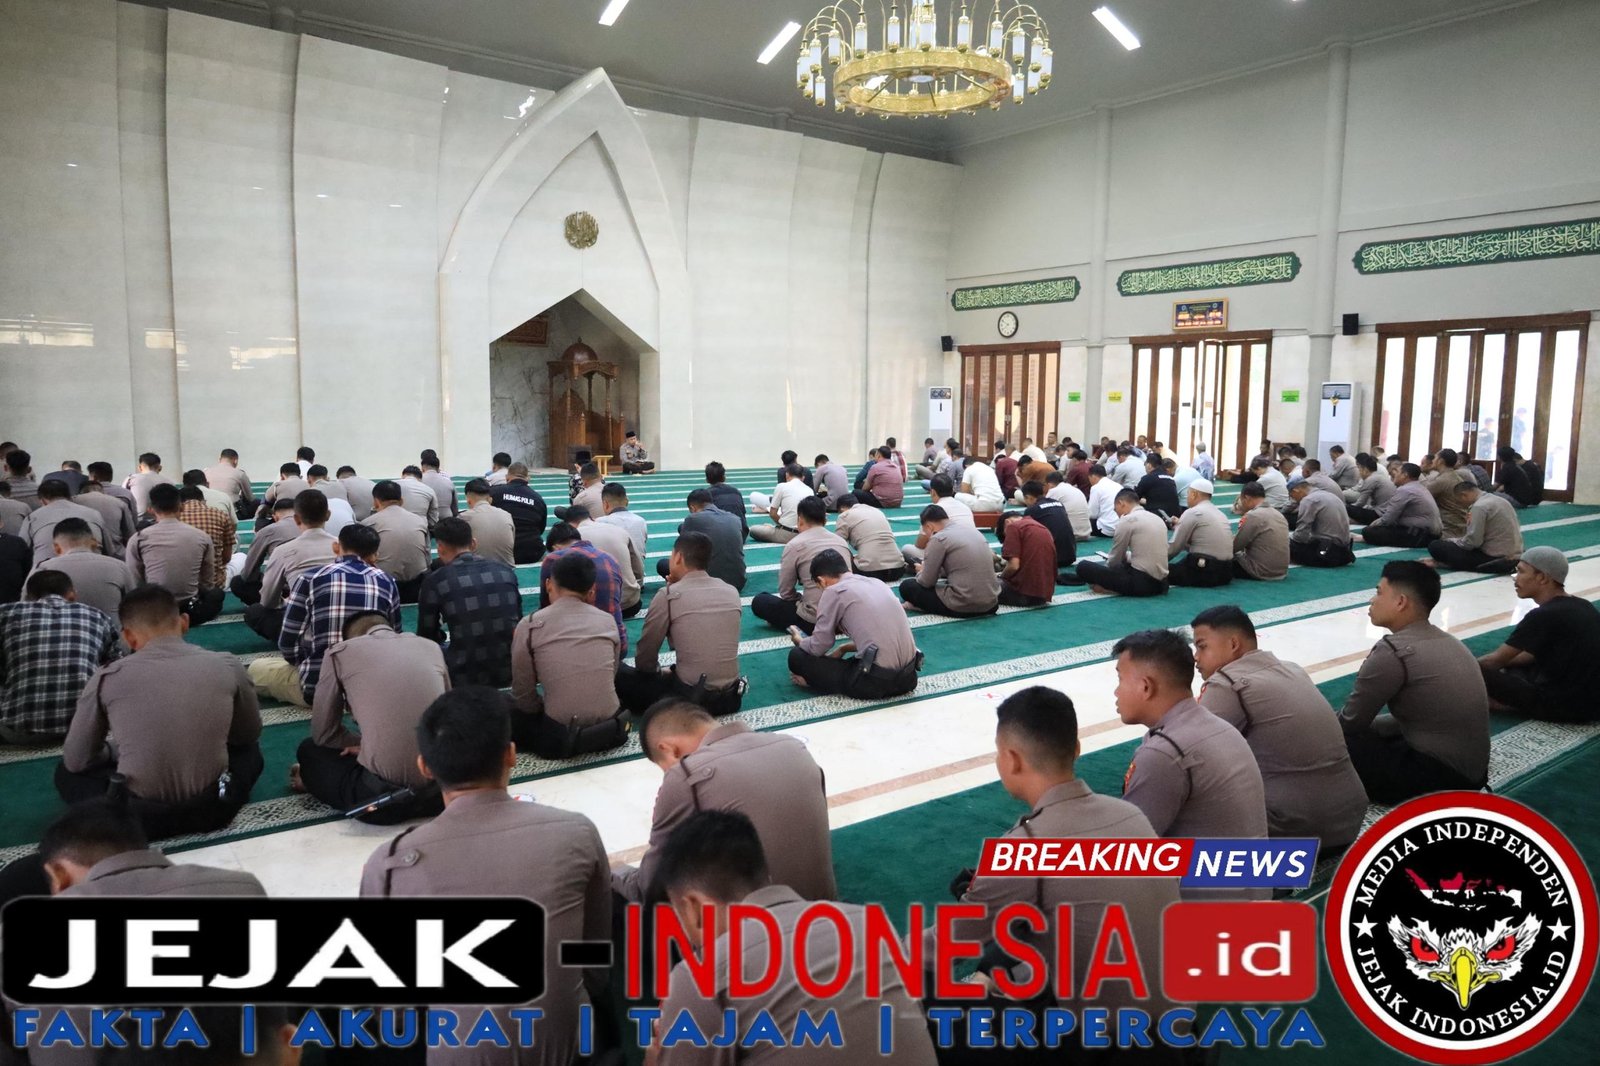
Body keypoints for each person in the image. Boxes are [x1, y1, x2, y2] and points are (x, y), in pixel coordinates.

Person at [360, 687, 611, 1066]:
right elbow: (595, 960)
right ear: (511, 755)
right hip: (573, 1048)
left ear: (425, 767)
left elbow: (391, 1013)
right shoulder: (576, 832)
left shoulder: (389, 863)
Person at [933, 687, 1179, 1036]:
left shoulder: (1027, 845)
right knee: (1013, 943)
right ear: (1076, 749)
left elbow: (944, 945)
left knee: (933, 1016)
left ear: (1012, 760)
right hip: (1177, 1027)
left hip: (1103, 1043)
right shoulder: (1131, 815)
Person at [648, 810, 933, 1066]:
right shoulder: (870, 923)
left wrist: (655, 1052)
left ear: (694, 907)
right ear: (765, 875)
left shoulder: (700, 975)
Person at [58, 585, 263, 837]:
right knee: (250, 751)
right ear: (184, 622)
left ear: (128, 637)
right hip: (214, 808)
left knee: (66, 772)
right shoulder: (227, 664)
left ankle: (128, 814)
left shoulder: (107, 677)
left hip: (138, 816)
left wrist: (113, 751)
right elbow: (247, 735)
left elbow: (77, 759)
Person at [616, 700, 835, 904]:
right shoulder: (794, 747)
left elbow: (649, 886)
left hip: (755, 926)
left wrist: (616, 871)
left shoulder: (687, 775)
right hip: (824, 911)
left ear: (670, 750)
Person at [1191, 606, 1367, 849]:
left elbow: (1190, 754)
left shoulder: (1228, 684)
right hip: (1349, 821)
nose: (1196, 657)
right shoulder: (1292, 669)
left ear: (1233, 644)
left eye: (1202, 646)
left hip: (1292, 828)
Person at [1112, 629, 1268, 898]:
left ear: (1146, 687)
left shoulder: (1165, 752)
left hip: (1208, 912)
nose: (1116, 691)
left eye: (1120, 679)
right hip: (1253, 893)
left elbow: (1126, 853)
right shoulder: (1217, 725)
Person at [1339, 561, 1490, 802]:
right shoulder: (1449, 641)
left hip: (1437, 778)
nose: (1372, 600)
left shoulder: (1393, 650)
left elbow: (1351, 723)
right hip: (1472, 775)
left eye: (1379, 592)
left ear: (1400, 602)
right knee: (1374, 732)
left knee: (1330, 740)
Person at [294, 611, 449, 822]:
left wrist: (364, 744)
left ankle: (310, 779)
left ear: (351, 638)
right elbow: (449, 718)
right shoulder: (431, 647)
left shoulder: (340, 653)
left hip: (380, 806)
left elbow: (324, 734)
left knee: (310, 750)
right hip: (443, 795)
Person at [249, 523, 400, 708]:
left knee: (257, 669)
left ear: (336, 547)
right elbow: (393, 636)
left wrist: (306, 664)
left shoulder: (310, 578)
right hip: (370, 688)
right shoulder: (387, 581)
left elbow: (288, 640)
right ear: (375, 555)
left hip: (320, 688)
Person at [510, 550, 626, 759]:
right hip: (611, 728)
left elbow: (523, 693)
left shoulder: (530, 625)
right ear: (592, 592)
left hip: (559, 738)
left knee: (503, 705)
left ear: (548, 585)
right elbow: (612, 672)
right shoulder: (607, 621)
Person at [618, 532, 744, 716]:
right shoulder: (731, 591)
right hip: (731, 698)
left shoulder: (668, 595)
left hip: (692, 700)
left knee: (619, 673)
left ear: (678, 557)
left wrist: (658, 673)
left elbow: (645, 658)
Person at [1477, 546, 1600, 722]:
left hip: (1565, 707)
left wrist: (1462, 670)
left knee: (1477, 670)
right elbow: (1529, 656)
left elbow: (1494, 661)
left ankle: (1504, 704)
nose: (1515, 577)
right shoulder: (1582, 605)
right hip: (1592, 703)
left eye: (1521, 571)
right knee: (1513, 668)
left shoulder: (1544, 614)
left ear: (1542, 577)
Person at [0, 571, 119, 743]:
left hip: (17, 731)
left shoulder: (6, 613)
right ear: (72, 595)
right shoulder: (98, 616)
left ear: (27, 597)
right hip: (87, 730)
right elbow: (115, 670)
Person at [786, 549, 921, 698]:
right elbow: (881, 636)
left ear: (822, 580)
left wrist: (800, 641)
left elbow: (819, 646)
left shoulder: (833, 592)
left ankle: (815, 682)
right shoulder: (877, 583)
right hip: (908, 678)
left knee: (797, 656)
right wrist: (843, 648)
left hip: (875, 683)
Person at [417, 516, 522, 688]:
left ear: (440, 548)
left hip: (465, 675)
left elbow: (427, 636)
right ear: (473, 543)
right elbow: (518, 621)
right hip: (509, 669)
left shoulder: (436, 580)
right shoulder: (505, 571)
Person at [126, 483, 224, 626]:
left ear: (151, 509)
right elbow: (208, 581)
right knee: (216, 594)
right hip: (191, 611)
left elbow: (134, 580)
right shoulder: (201, 536)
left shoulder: (138, 539)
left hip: (155, 611)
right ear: (181, 507)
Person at [244, 489, 336, 640]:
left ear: (297, 519)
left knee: (255, 612)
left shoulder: (283, 551)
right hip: (344, 626)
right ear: (328, 515)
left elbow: (268, 601)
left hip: (306, 632)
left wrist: (287, 602)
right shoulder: (343, 546)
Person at [751, 496, 851, 633]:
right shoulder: (841, 542)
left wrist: (801, 601)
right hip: (846, 620)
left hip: (815, 622)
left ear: (799, 520)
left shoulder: (794, 545)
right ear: (825, 520)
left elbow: (786, 592)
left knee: (760, 601)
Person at [540, 521, 628, 653]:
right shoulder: (609, 558)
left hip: (570, 647)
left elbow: (545, 606)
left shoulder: (553, 558)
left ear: (556, 547)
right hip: (615, 645)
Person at [899, 505, 1000, 617]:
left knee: (907, 586)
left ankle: (922, 606)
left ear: (929, 526)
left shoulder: (939, 538)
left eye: (924, 531)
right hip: (991, 604)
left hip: (963, 605)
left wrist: (921, 571)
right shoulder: (974, 532)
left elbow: (927, 582)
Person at [32, 517, 136, 619]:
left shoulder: (43, 569)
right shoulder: (119, 567)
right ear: (95, 542)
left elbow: (28, 605)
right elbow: (134, 607)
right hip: (111, 630)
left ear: (56, 548)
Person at [1075, 490, 1169, 597]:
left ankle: (1109, 588)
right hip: (1163, 583)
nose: (1117, 514)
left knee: (1083, 567)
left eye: (1115, 510)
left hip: (1141, 584)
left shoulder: (1127, 520)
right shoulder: (1157, 518)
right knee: (1125, 564)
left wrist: (1104, 574)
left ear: (1121, 503)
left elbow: (1115, 559)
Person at [1428, 479, 1523, 572]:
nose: (1461, 505)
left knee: (1436, 546)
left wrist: (1453, 541)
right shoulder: (1501, 500)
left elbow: (1472, 543)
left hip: (1494, 557)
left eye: (1459, 502)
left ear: (1463, 495)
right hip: (1515, 554)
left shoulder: (1479, 507)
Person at [571, 504, 644, 618]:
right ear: (591, 518)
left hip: (595, 608)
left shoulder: (573, 537)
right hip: (630, 605)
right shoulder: (619, 530)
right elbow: (638, 569)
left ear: (570, 525)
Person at [665, 488, 746, 590]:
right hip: (737, 581)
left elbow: (681, 551)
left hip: (707, 583)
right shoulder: (735, 518)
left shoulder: (693, 519)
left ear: (692, 508)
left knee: (663, 565)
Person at [20, 477, 110, 565]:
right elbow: (109, 549)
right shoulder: (94, 514)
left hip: (47, 572)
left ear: (43, 501)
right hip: (93, 566)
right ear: (70, 497)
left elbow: (22, 551)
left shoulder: (32, 518)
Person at [228, 497, 297, 605]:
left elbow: (248, 573)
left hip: (283, 588)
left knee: (238, 582)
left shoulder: (267, 531)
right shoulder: (315, 530)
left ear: (275, 517)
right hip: (316, 586)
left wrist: (262, 577)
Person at [1167, 478, 1233, 587]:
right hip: (1226, 573)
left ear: (1194, 494)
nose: (1187, 497)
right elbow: (1202, 542)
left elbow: (1174, 548)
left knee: (1158, 572)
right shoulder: (1220, 514)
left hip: (1203, 571)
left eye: (1188, 493)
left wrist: (1155, 562)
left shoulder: (1192, 512)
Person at [1359, 462, 1441, 547]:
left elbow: (1387, 520)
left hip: (1420, 536)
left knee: (1368, 532)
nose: (1394, 474)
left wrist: (1372, 525)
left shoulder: (1405, 490)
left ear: (1405, 475)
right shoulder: (1420, 487)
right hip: (1430, 534)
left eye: (1397, 472)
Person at [901, 473, 971, 566]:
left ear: (933, 492)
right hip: (970, 553)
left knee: (907, 549)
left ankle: (928, 568)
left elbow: (920, 545)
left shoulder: (934, 510)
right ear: (952, 489)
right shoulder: (965, 507)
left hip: (948, 558)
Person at [177, 483, 237, 588]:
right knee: (242, 558)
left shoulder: (173, 519)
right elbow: (227, 558)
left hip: (181, 585)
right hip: (214, 584)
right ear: (203, 501)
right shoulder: (220, 514)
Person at [834, 493, 904, 581]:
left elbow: (838, 545)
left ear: (842, 508)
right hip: (898, 570)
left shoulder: (845, 515)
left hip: (869, 572)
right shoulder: (877, 511)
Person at [489, 461, 548, 563]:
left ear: (507, 477)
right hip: (532, 552)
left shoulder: (494, 492)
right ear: (528, 478)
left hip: (500, 552)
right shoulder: (538, 499)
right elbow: (540, 529)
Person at [1229, 482, 1289, 581]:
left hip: (1259, 571)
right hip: (1281, 571)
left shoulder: (1253, 515)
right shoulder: (1278, 514)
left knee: (1219, 559)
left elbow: (1235, 547)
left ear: (1247, 498)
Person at [994, 512, 1056, 608]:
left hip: (1022, 594)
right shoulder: (1041, 527)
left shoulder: (1013, 527)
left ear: (1007, 523)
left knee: (980, 585)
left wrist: (1001, 576)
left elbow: (1013, 566)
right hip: (1043, 596)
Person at [1288, 480, 1355, 567]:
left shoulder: (1309, 500)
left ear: (1296, 491)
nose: (1294, 500)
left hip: (1325, 554)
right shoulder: (1330, 495)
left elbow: (1301, 536)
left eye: (1292, 496)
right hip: (1345, 553)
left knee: (1281, 544)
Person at [459, 476, 516, 567]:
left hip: (477, 571)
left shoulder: (463, 517)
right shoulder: (507, 515)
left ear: (468, 501)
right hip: (507, 571)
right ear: (490, 500)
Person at [1018, 479, 1076, 568]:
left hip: (1052, 560)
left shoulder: (1031, 510)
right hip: (1071, 555)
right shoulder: (1058, 503)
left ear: (1028, 497)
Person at [749, 463, 812, 544]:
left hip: (786, 534)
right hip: (803, 534)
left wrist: (781, 525)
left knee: (753, 530)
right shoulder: (809, 490)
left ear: (787, 475)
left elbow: (772, 514)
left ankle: (774, 529)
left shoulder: (781, 486)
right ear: (803, 477)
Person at [1425, 449, 1471, 538]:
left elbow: (1422, 498)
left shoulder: (1442, 480)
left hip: (1448, 530)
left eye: (1435, 458)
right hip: (1462, 527)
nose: (1432, 460)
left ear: (1440, 461)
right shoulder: (1456, 476)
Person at [598, 480, 648, 559]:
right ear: (627, 501)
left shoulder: (599, 523)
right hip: (638, 566)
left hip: (612, 566)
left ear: (605, 504)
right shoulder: (641, 521)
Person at [205, 448, 257, 520]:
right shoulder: (240, 474)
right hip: (232, 513)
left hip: (209, 511)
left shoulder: (206, 472)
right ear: (236, 460)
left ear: (219, 459)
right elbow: (250, 498)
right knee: (256, 503)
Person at [1344, 452, 1395, 524]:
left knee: (1346, 508)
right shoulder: (1379, 477)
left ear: (1365, 469)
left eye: (1359, 469)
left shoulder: (1370, 479)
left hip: (1379, 514)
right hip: (1385, 512)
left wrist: (1346, 507)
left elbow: (1360, 503)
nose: (1359, 472)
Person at [703, 460, 748, 538]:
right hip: (740, 535)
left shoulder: (705, 495)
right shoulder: (736, 491)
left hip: (717, 536)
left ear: (707, 479)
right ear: (724, 477)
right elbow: (742, 513)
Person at [88, 460, 140, 524]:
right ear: (111, 477)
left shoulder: (85, 495)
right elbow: (134, 519)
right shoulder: (126, 493)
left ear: (94, 477)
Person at [1136, 453, 1181, 519]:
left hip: (1158, 516)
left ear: (1149, 465)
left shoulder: (1148, 478)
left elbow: (1135, 498)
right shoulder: (1170, 478)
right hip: (1175, 516)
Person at [419, 449, 459, 517]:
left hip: (426, 519)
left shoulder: (418, 480)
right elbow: (455, 508)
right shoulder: (448, 481)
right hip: (446, 519)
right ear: (438, 468)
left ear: (422, 467)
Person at [1085, 462, 1120, 537]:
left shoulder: (1096, 488)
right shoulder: (1118, 486)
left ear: (1093, 476)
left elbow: (1092, 514)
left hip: (1106, 528)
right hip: (1120, 527)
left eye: (1089, 478)